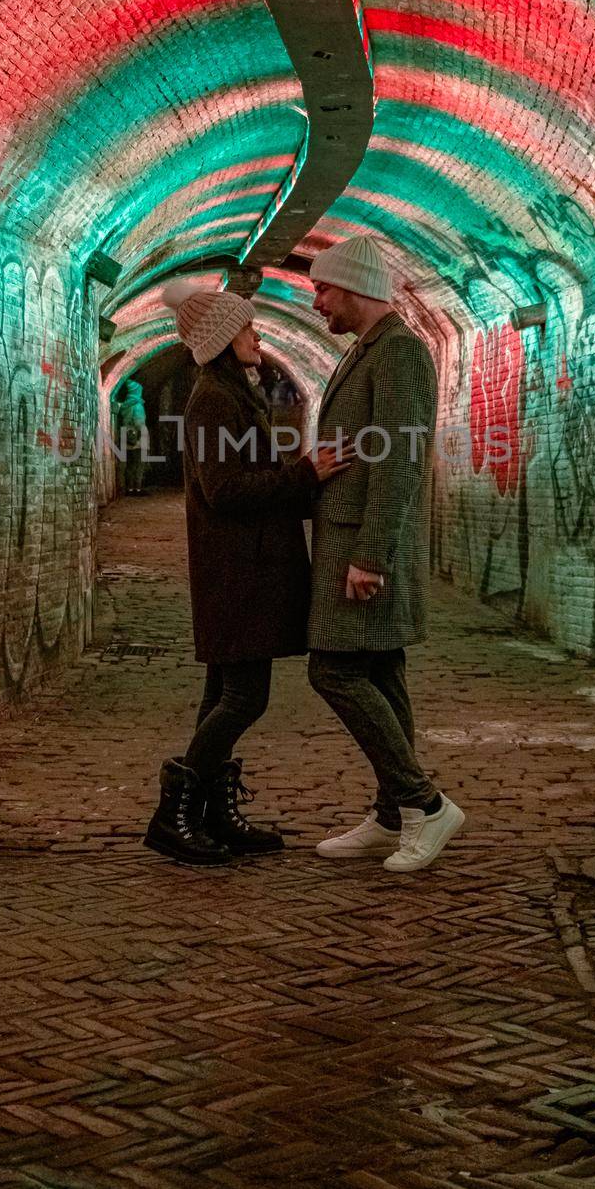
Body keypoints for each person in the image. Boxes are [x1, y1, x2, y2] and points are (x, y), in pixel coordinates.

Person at [144, 280, 347, 866]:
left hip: (245, 567)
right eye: (248, 328)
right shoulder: (213, 397)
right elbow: (224, 490)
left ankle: (207, 812)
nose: (257, 336)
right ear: (223, 337)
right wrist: (304, 476)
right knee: (243, 698)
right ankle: (173, 815)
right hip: (237, 572)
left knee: (223, 695)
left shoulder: (235, 391)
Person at [307, 234, 465, 873]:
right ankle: (391, 813)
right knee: (378, 671)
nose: (316, 302)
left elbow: (398, 462)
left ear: (354, 287)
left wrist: (370, 555)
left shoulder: (399, 351)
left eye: (322, 288)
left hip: (365, 547)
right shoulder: (369, 349)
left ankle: (425, 806)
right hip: (350, 539)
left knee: (334, 672)